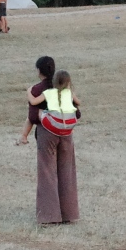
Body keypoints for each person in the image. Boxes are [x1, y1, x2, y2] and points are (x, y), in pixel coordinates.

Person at [28, 68, 81, 224]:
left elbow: (33, 102)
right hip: (66, 132)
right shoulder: (69, 94)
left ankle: (49, 215)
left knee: (47, 172)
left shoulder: (48, 93)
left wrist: (29, 91)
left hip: (50, 130)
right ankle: (69, 213)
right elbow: (78, 103)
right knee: (67, 172)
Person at [17, 55, 54, 146]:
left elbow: (32, 113)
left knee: (32, 113)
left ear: (38, 70)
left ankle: (24, 136)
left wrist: (29, 91)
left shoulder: (38, 90)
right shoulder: (61, 87)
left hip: (46, 128)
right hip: (65, 127)